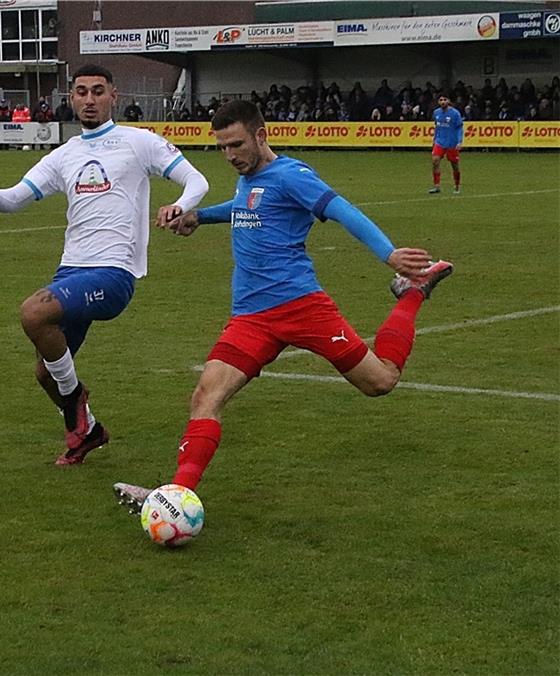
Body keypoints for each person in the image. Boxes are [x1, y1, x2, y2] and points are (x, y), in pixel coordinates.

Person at [112, 99, 453, 514]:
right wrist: (200, 217)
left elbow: (342, 210)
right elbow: (247, 209)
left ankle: (413, 292)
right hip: (252, 317)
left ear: (261, 135)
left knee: (380, 382)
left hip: (302, 307)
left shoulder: (292, 175)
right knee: (206, 395)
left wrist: (388, 253)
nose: (230, 155)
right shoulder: (249, 177)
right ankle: (176, 495)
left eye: (236, 144)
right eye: (222, 147)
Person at [0, 64, 209, 465]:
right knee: (46, 374)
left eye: (98, 91)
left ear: (114, 96)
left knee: (33, 312)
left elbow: (196, 180)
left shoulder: (138, 142)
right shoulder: (65, 155)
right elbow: (15, 199)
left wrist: (181, 204)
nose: (89, 100)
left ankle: (76, 401)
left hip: (114, 274)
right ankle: (88, 431)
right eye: (81, 92)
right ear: (71, 98)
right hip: (71, 270)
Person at [429, 93, 463, 195]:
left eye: (444, 99)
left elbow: (459, 128)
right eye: (440, 100)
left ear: (448, 101)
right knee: (435, 161)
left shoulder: (455, 113)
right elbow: (437, 127)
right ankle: (437, 186)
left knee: (454, 165)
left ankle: (456, 186)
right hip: (439, 142)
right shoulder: (436, 113)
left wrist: (460, 141)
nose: (442, 102)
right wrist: (434, 139)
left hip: (451, 143)